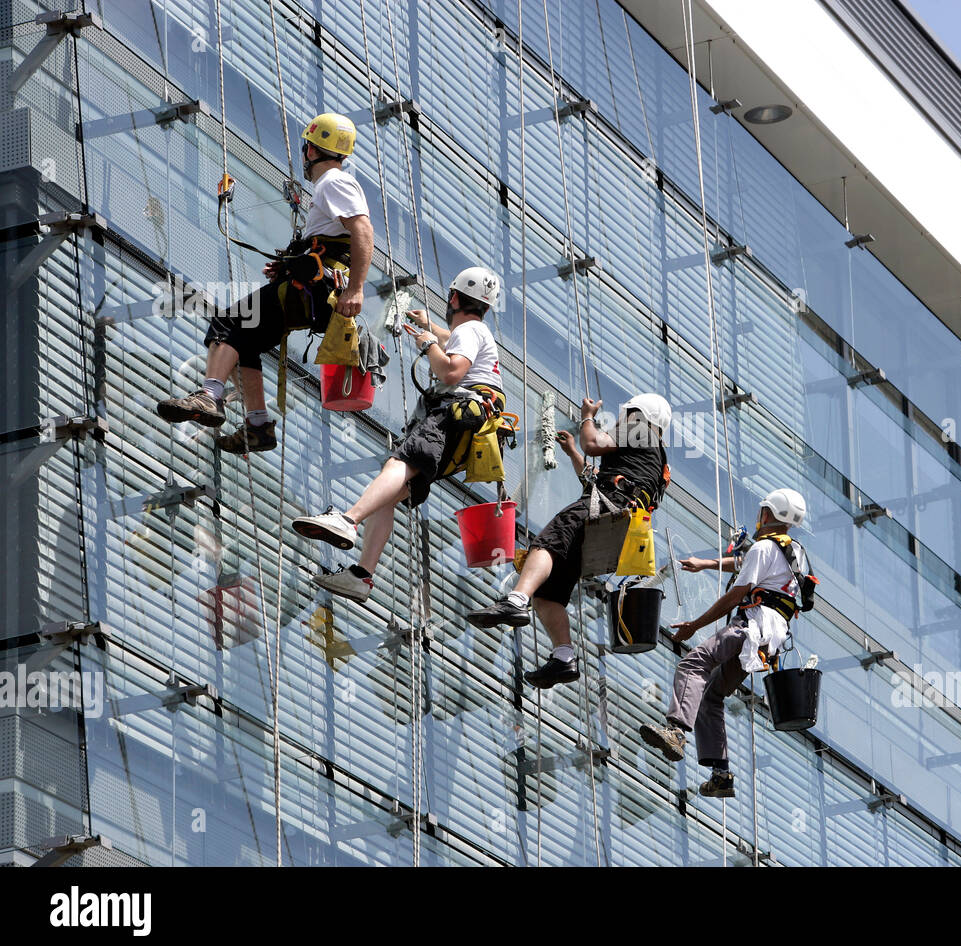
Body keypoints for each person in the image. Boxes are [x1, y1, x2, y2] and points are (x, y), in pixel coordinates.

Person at [157, 112, 374, 453]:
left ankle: (210, 396)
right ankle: (257, 426)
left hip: (313, 290)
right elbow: (331, 241)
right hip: (307, 289)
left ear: (312, 151)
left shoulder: (334, 182)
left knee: (228, 322)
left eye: (306, 147)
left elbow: (362, 231)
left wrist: (356, 288)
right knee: (245, 342)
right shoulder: (331, 186)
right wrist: (290, 265)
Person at [289, 267, 505, 603]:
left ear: (454, 298)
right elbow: (455, 344)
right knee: (386, 494)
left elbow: (451, 371)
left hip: (451, 417)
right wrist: (429, 328)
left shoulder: (470, 331)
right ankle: (362, 576)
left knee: (399, 462)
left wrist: (429, 344)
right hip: (466, 430)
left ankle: (347, 520)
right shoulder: (476, 333)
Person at [467, 394, 672, 689]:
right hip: (620, 521)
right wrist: (574, 452)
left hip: (608, 505)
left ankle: (515, 600)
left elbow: (594, 444)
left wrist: (587, 417)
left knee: (547, 543)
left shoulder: (640, 426)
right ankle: (563, 657)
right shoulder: (656, 457)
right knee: (548, 594)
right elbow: (597, 479)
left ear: (639, 413)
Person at [639, 489, 815, 798]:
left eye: (763, 512)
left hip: (749, 627)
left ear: (769, 515)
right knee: (712, 695)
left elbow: (737, 592)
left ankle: (676, 730)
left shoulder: (763, 548)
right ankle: (721, 774)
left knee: (694, 663)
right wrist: (706, 564)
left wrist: (695, 626)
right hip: (767, 643)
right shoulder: (794, 551)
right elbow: (747, 564)